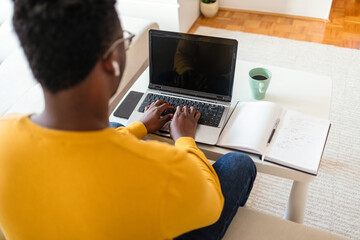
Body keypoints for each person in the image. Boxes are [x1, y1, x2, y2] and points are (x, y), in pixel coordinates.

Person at [0, 0, 256, 239]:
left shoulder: (4, 134)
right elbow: (211, 206)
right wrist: (185, 140)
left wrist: (141, 126)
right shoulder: (166, 171)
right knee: (238, 163)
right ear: (112, 60)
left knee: (115, 127)